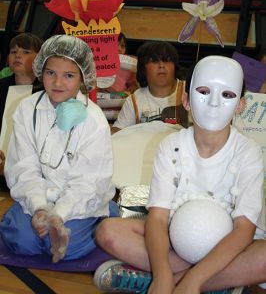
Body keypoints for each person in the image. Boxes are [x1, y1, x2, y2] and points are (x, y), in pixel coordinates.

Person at [93, 55, 265, 294]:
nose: (214, 102)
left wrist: (193, 280)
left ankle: (168, 282)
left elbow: (244, 230)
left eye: (227, 95)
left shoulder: (249, 152)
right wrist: (162, 271)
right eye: (204, 91)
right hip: (175, 243)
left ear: (240, 105)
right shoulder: (171, 145)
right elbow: (158, 218)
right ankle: (215, 282)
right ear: (186, 100)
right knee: (107, 231)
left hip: (228, 247)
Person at [0, 35, 118, 263]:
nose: (57, 83)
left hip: (79, 199)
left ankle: (105, 214)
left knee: (69, 249)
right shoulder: (27, 109)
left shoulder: (94, 120)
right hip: (39, 196)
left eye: (69, 75)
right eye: (50, 73)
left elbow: (88, 181)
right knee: (23, 242)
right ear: (40, 71)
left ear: (83, 78)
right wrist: (40, 209)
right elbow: (23, 167)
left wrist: (60, 214)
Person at [111, 41, 187, 133]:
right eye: (154, 61)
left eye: (167, 60)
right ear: (143, 68)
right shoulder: (134, 100)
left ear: (175, 66)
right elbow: (117, 133)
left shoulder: (189, 91)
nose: (161, 65)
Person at [0, 33, 43, 190]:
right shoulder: (1, 86)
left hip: (34, 172)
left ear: (40, 59)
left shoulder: (48, 92)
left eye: (26, 52)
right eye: (13, 52)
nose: (18, 55)